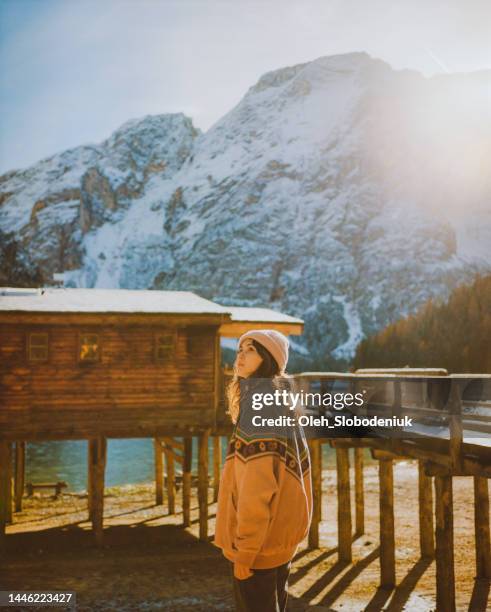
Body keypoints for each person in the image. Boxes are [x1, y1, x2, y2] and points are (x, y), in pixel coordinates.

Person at [213, 329, 313, 612]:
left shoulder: (259, 408)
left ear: (269, 359)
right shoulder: (279, 401)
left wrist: (245, 553)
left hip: (259, 549)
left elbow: (255, 491)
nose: (240, 355)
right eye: (240, 349)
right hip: (278, 541)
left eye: (251, 350)